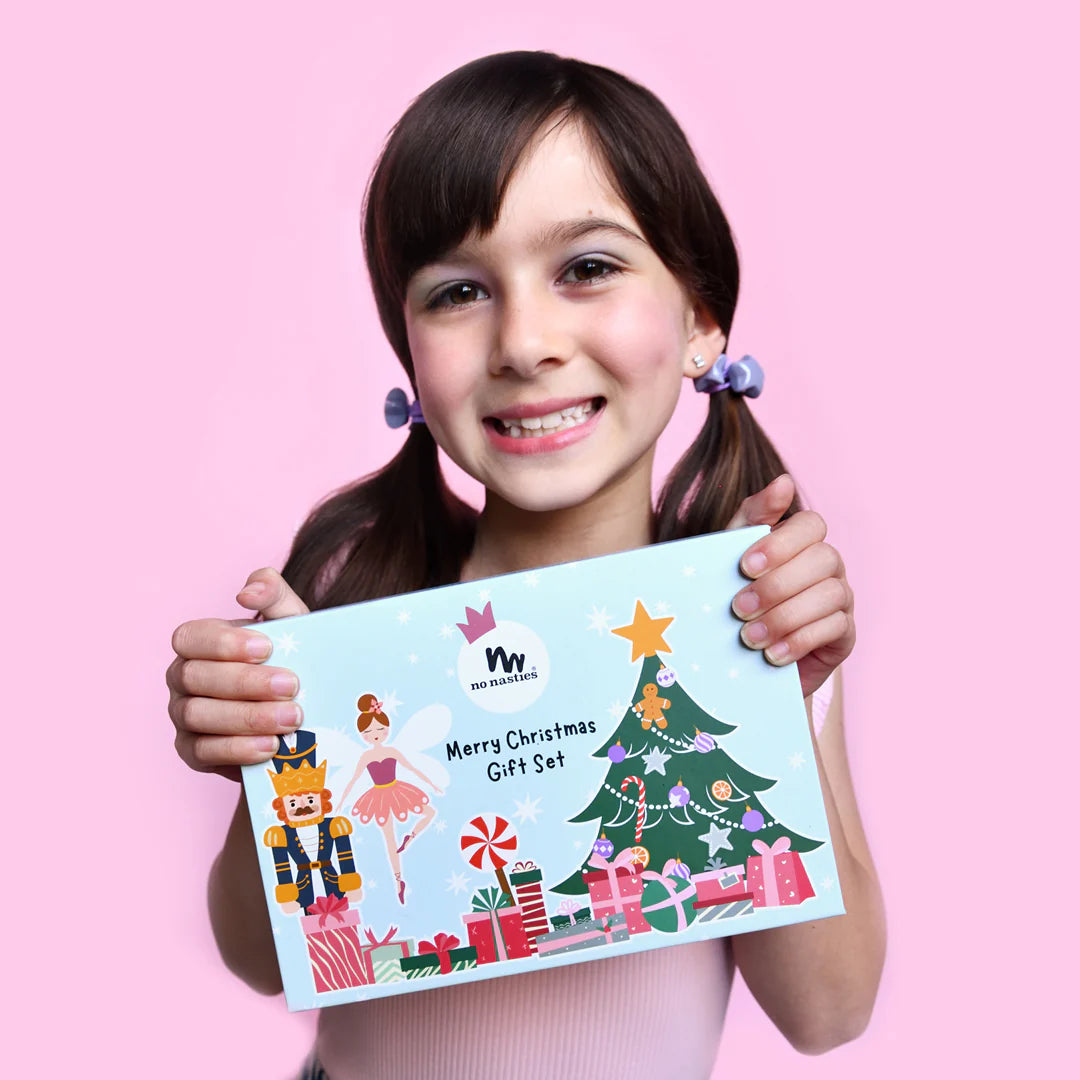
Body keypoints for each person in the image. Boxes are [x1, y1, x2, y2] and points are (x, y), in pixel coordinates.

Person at [166, 50, 885, 1080]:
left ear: (700, 319)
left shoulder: (758, 623)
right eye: (459, 291)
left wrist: (779, 708)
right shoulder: (357, 619)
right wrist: (270, 768)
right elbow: (266, 961)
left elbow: (829, 1011)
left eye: (587, 267)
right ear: (409, 352)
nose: (525, 340)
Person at [338, 693, 441, 905]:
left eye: (379, 729)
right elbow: (353, 780)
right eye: (368, 731)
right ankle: (398, 881)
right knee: (389, 841)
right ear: (362, 735)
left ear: (387, 729)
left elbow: (412, 768)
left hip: (397, 790)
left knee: (429, 812)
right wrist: (340, 803)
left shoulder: (392, 751)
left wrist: (431, 784)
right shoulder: (365, 757)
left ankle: (410, 837)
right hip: (379, 797)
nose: (374, 734)